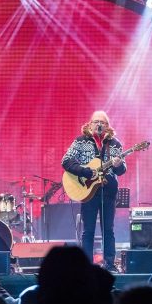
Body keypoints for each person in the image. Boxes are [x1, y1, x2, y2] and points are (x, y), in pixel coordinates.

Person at [62, 110, 126, 272]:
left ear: (107, 126)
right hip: (88, 190)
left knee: (108, 230)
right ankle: (86, 266)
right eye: (96, 122)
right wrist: (85, 171)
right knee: (88, 231)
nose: (99, 124)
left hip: (108, 192)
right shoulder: (80, 141)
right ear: (90, 124)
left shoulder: (115, 144)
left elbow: (121, 170)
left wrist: (118, 165)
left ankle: (110, 264)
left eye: (102, 122)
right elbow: (66, 161)